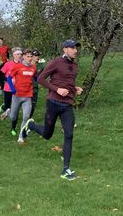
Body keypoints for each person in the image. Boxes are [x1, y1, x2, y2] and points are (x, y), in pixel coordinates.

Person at [22, 40, 83, 180]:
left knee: (69, 135)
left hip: (67, 104)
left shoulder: (74, 65)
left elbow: (69, 82)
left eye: (76, 48)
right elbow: (40, 79)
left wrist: (75, 88)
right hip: (53, 102)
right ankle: (30, 125)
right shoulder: (56, 62)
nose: (75, 50)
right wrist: (56, 89)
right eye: (72, 48)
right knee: (47, 135)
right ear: (65, 49)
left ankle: (66, 169)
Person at [7, 49, 37, 141]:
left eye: (31, 56)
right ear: (23, 56)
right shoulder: (17, 66)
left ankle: (21, 136)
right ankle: (8, 112)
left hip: (28, 96)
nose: (29, 58)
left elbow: (35, 77)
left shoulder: (33, 68)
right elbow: (9, 78)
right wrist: (12, 89)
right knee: (13, 117)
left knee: (26, 117)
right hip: (17, 95)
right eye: (28, 56)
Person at [0, 47, 23, 121]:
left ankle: (12, 116)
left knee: (16, 104)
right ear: (14, 55)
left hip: (18, 88)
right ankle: (5, 110)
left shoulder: (22, 64)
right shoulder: (8, 64)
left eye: (20, 54)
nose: (19, 56)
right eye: (18, 54)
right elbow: (1, 74)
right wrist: (7, 80)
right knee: (7, 104)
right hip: (8, 87)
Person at [30, 49, 46, 118]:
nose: (37, 57)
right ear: (32, 56)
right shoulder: (27, 64)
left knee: (33, 105)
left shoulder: (41, 66)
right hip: (25, 88)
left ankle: (28, 120)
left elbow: (41, 77)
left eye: (38, 55)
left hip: (35, 88)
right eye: (36, 55)